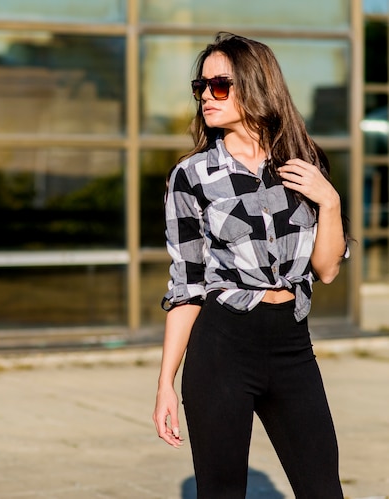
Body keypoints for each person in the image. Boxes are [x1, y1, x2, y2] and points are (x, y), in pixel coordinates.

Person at [152, 32, 348, 498]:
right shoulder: (191, 176)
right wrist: (165, 383)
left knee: (323, 490)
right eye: (200, 86)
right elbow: (186, 285)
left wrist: (331, 203)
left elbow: (326, 269)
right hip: (222, 347)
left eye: (219, 85)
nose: (205, 96)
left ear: (256, 86)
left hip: (292, 346)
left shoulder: (305, 163)